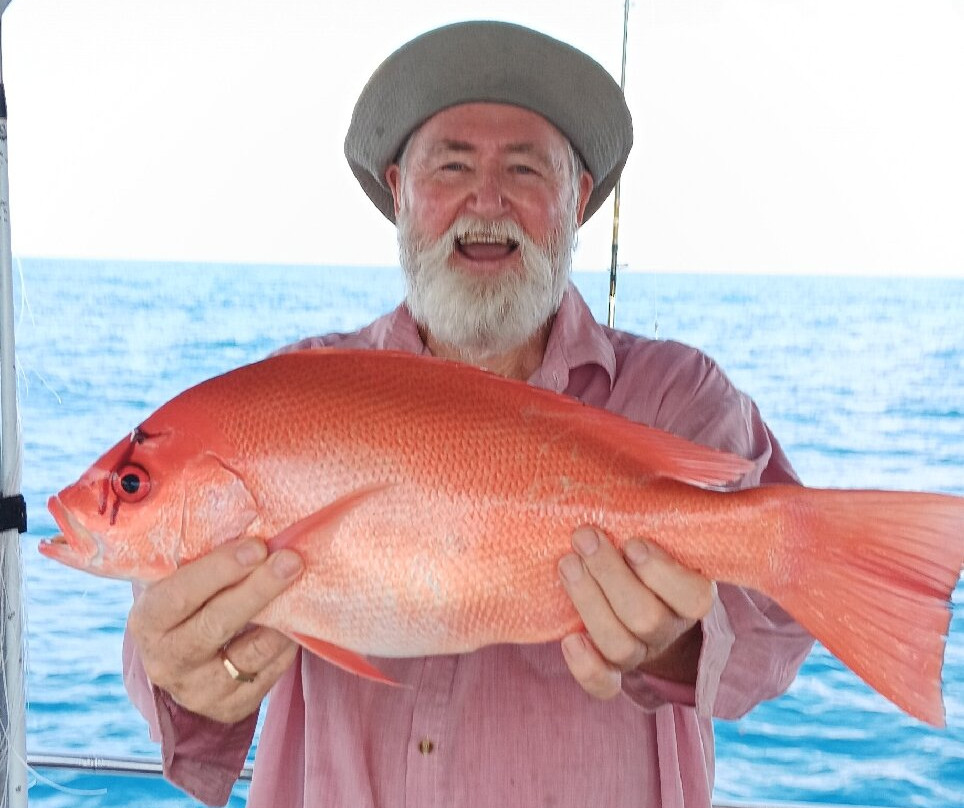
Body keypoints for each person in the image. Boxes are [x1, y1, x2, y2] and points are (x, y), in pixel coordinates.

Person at [123, 21, 814, 808]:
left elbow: (785, 627)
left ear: (578, 201)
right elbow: (186, 701)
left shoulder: (678, 397)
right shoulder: (294, 393)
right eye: (452, 166)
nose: (487, 201)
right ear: (399, 194)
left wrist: (680, 641)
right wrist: (186, 673)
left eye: (526, 168)